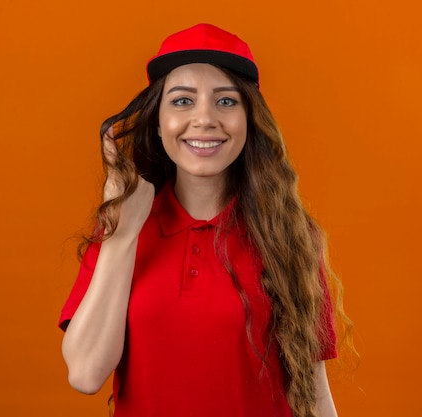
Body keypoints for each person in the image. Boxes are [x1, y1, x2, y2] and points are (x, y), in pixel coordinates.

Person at [59, 23, 350, 417]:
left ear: (249, 120)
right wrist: (123, 232)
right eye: (182, 101)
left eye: (226, 102)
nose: (204, 119)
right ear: (157, 122)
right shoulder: (120, 229)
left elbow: (314, 393)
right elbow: (85, 374)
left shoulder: (288, 234)